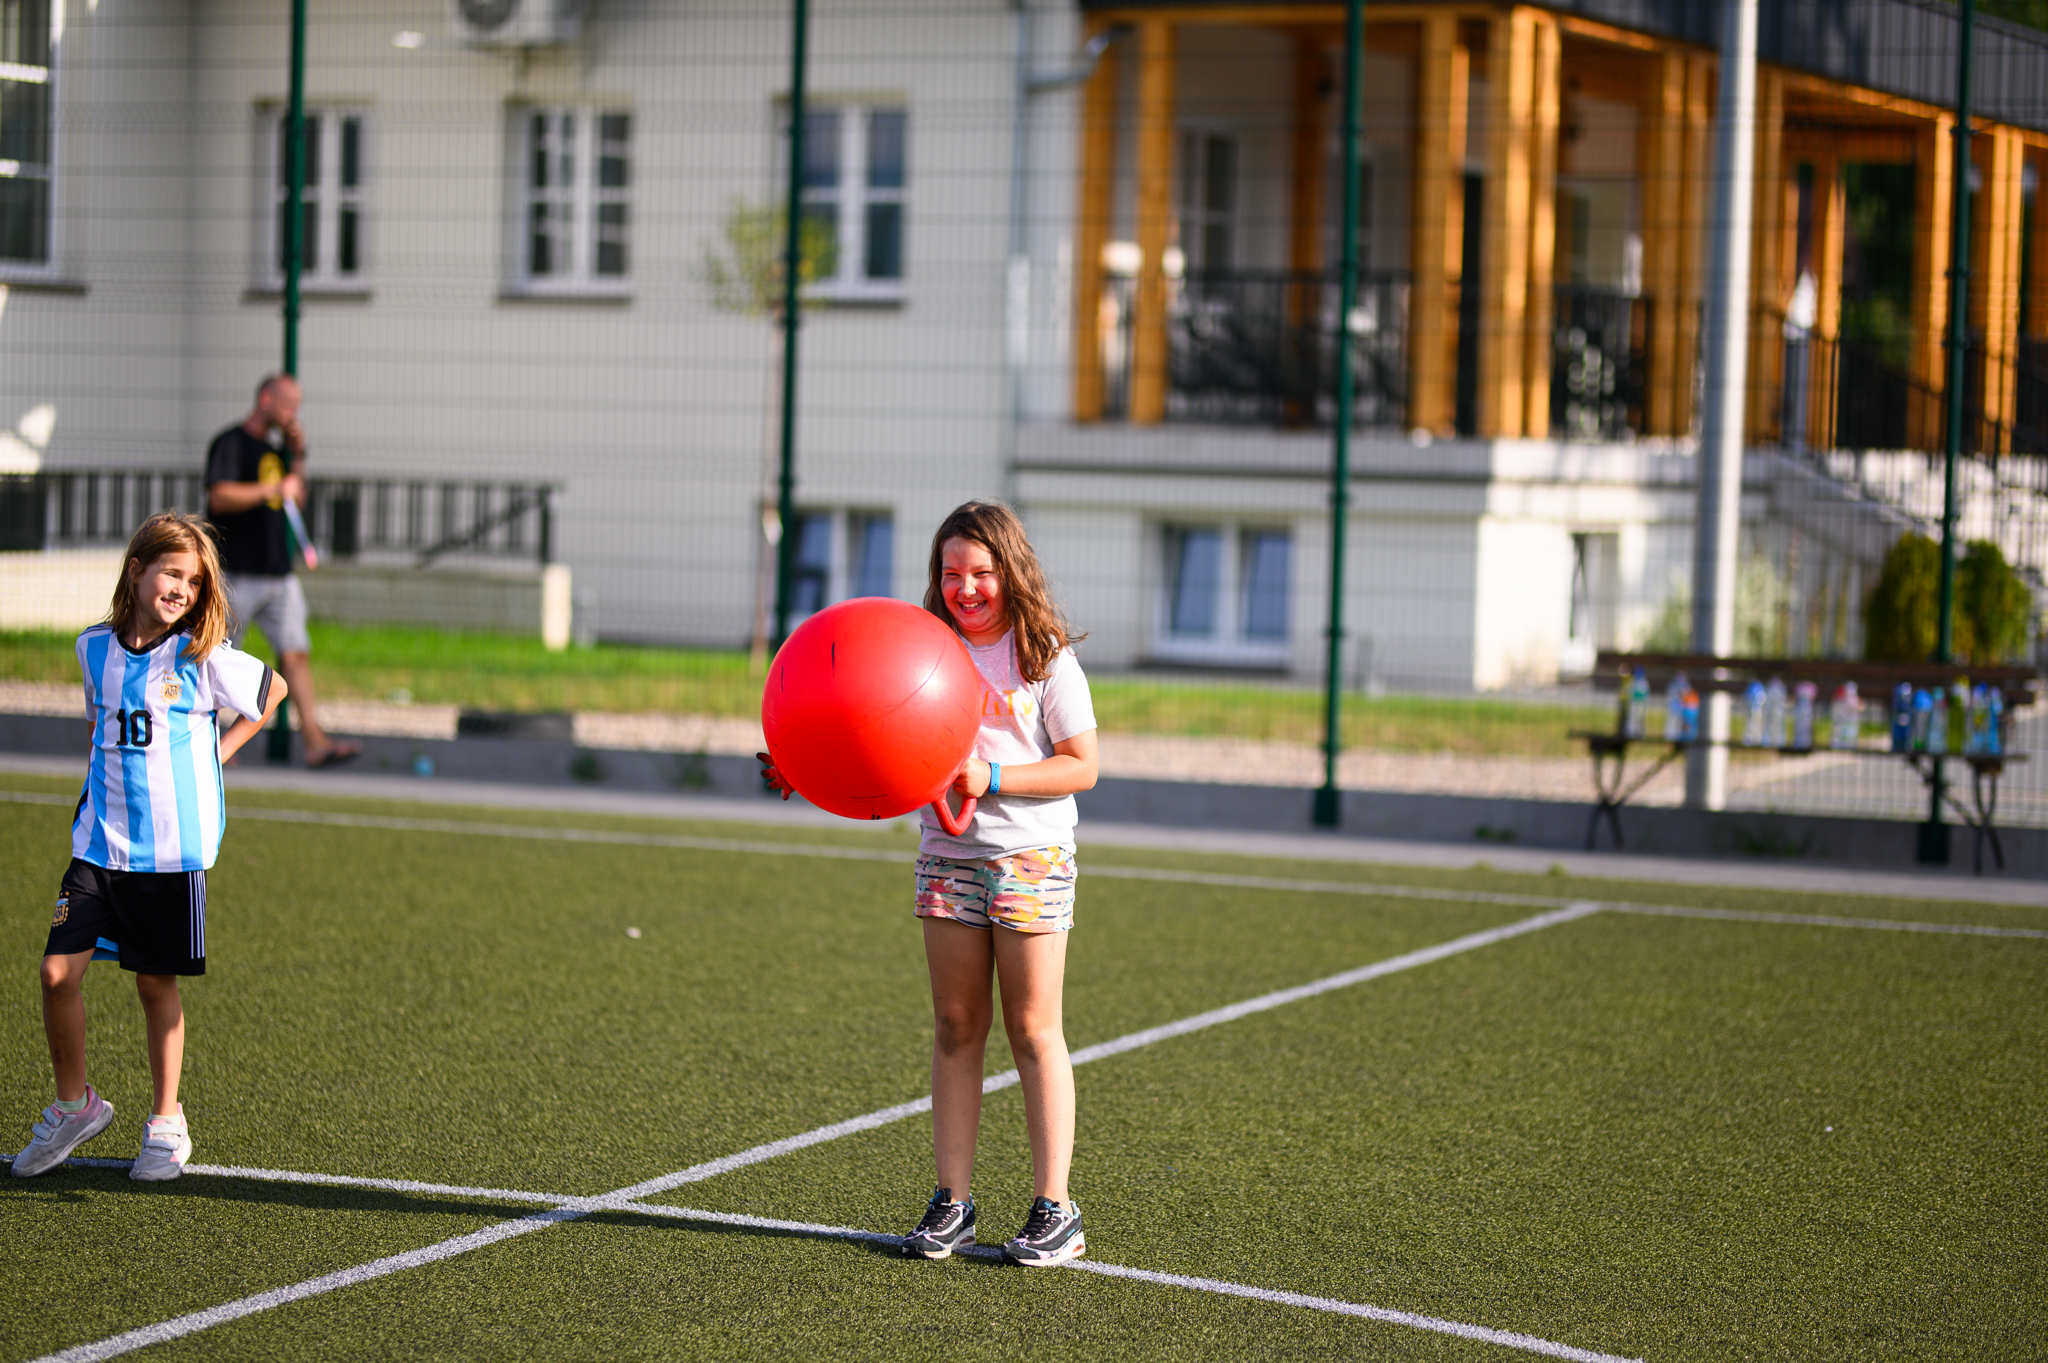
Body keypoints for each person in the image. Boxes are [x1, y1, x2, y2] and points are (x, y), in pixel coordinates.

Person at [761, 500, 1099, 1266]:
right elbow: (866, 724)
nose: (965, 588)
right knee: (955, 1024)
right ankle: (953, 1202)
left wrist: (992, 776)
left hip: (1030, 859)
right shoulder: (918, 647)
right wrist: (805, 761)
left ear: (1011, 570)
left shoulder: (1043, 656)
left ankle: (1057, 1208)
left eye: (981, 572)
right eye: (951, 573)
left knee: (1032, 1029)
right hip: (948, 859)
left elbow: (1083, 766)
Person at [12, 513, 287, 1181]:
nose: (181, 589)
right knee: (55, 974)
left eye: (193, 582)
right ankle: (75, 1106)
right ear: (136, 570)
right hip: (97, 846)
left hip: (170, 852)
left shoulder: (200, 654)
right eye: (171, 573)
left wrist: (217, 754)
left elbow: (272, 691)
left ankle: (167, 1121)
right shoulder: (92, 648)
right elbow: (97, 726)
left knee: (153, 982)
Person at [204, 374, 359, 768]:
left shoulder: (277, 452)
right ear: (265, 398)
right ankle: (209, 744)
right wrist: (272, 490)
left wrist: (298, 454)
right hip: (236, 571)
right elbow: (219, 496)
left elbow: (296, 499)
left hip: (278, 573)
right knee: (215, 657)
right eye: (288, 404)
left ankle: (314, 742)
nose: (293, 413)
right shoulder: (231, 443)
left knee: (296, 653)